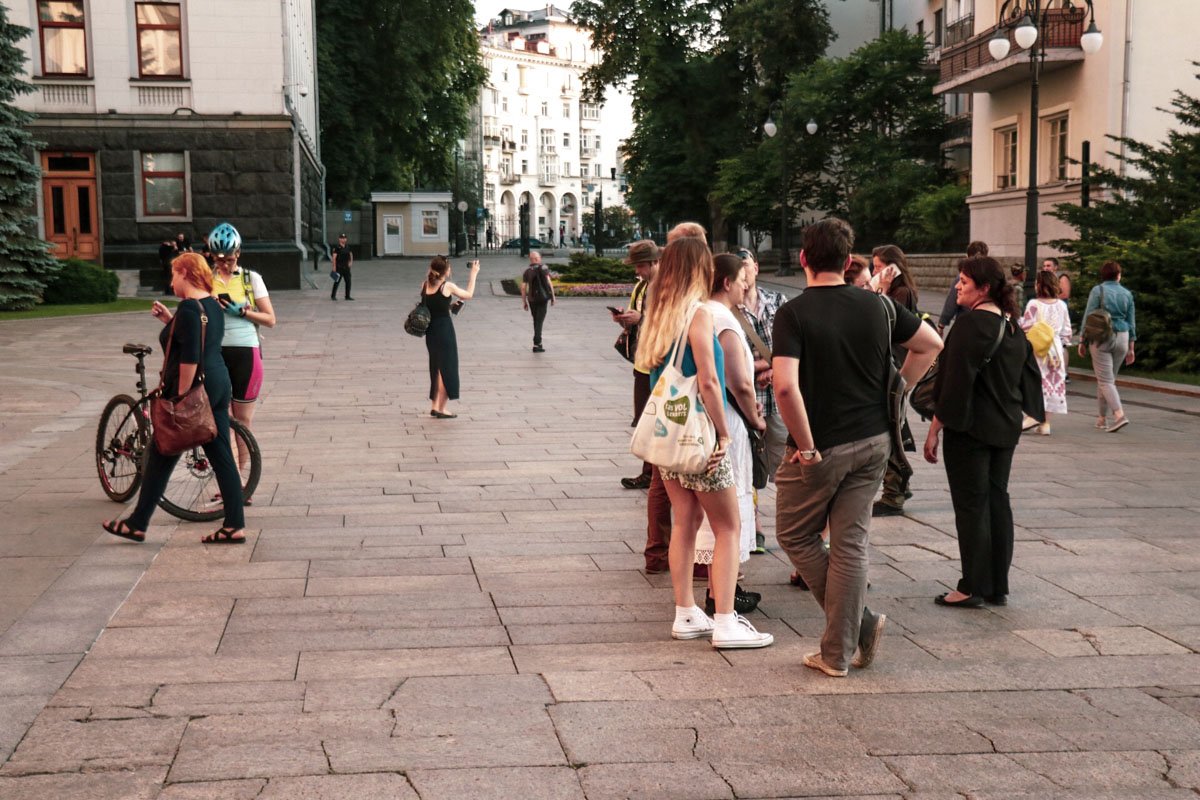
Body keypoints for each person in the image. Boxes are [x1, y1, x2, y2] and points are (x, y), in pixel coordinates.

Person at [773, 218, 941, 677]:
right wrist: (898, 391)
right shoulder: (877, 306)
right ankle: (839, 651)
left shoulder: (793, 313)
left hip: (820, 445)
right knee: (850, 544)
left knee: (794, 534)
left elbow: (786, 388)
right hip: (874, 442)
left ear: (804, 258)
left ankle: (857, 630)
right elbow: (931, 343)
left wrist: (806, 449)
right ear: (848, 262)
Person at [636, 236, 773, 649]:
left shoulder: (658, 314)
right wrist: (725, 433)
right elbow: (711, 382)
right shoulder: (697, 314)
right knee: (728, 526)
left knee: (685, 522)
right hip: (702, 439)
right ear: (698, 270)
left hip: (670, 438)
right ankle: (726, 620)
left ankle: (685, 613)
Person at [923, 256, 1043, 608]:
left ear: (984, 288)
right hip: (1004, 429)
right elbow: (1028, 377)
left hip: (970, 430)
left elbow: (953, 383)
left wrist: (934, 428)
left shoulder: (969, 325)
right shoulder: (1011, 326)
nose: (957, 286)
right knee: (997, 501)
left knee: (972, 506)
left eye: (963, 280)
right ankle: (996, 586)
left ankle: (971, 586)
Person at [103, 253, 246, 544]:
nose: (171, 281)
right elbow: (197, 339)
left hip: (194, 388)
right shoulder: (211, 304)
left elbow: (190, 357)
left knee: (162, 449)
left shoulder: (191, 308)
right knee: (218, 456)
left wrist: (180, 398)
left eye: (173, 275)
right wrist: (170, 321)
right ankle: (234, 525)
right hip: (217, 383)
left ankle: (138, 523)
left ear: (186, 273)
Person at [694, 253, 767, 614]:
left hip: (707, 417)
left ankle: (717, 588)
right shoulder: (724, 319)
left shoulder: (701, 310)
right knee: (730, 507)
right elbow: (739, 382)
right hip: (730, 420)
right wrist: (756, 418)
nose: (745, 285)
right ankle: (724, 592)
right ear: (725, 282)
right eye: (741, 279)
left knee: (713, 512)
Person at [208, 223, 276, 495]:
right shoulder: (205, 279)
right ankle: (232, 484)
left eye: (230, 257)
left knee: (243, 423)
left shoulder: (251, 279)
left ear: (239, 253)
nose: (225, 263)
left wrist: (244, 311)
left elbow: (271, 319)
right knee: (220, 422)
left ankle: (242, 483)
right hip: (215, 353)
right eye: (219, 259)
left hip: (246, 352)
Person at [736, 248, 789, 554]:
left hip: (779, 398)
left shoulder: (778, 302)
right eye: (738, 268)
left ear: (755, 267)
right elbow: (727, 358)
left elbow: (793, 345)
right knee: (749, 467)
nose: (744, 273)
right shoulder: (728, 310)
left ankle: (789, 526)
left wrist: (772, 367)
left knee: (784, 467)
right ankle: (753, 528)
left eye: (747, 265)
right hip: (747, 401)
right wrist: (756, 368)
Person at [870, 244, 920, 519]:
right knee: (895, 429)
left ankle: (894, 492)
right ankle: (899, 486)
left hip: (893, 367)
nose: (875, 271)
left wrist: (883, 290)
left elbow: (885, 324)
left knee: (892, 431)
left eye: (878, 266)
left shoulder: (900, 293)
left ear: (892, 267)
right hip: (890, 367)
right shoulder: (900, 291)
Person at [616, 240, 659, 491]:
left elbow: (668, 320)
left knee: (655, 420)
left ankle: (655, 474)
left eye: (641, 266)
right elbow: (639, 320)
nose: (638, 271)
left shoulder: (665, 286)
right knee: (644, 420)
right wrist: (625, 320)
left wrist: (640, 318)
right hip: (643, 361)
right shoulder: (641, 287)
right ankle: (649, 472)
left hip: (659, 363)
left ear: (654, 262)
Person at [1079, 260, 1136, 433]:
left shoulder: (1098, 290)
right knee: (1107, 380)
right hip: (1123, 337)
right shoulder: (1127, 293)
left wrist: (1082, 340)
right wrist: (1132, 347)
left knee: (1105, 380)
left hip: (1102, 336)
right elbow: (1131, 321)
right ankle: (1101, 418)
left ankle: (1119, 415)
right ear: (1119, 275)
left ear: (1103, 275)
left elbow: (1089, 315)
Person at [422, 256, 479, 418]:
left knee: (436, 367)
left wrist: (450, 305)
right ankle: (441, 408)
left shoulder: (425, 285)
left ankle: (434, 406)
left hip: (430, 331)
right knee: (447, 368)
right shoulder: (447, 286)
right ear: (446, 271)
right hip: (444, 330)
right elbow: (469, 294)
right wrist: (473, 274)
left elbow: (435, 305)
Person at [1020, 270, 1071, 435]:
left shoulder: (1034, 304)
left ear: (1039, 285)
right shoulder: (1062, 305)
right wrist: (1062, 343)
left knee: (1034, 381)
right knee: (1052, 384)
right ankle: (1046, 424)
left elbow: (1026, 325)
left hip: (1038, 348)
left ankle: (1031, 416)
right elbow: (1067, 331)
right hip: (1055, 348)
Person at [938, 240, 989, 334]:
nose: (958, 286)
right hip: (987, 326)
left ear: (967, 256)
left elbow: (951, 303)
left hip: (965, 324)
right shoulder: (991, 277)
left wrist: (941, 325)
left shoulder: (963, 277)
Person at [521, 251, 554, 353]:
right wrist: (553, 296)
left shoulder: (527, 271)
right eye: (539, 257)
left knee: (536, 320)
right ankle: (537, 343)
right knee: (539, 321)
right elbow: (549, 283)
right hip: (543, 299)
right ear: (537, 259)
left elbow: (523, 288)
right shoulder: (543, 268)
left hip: (532, 299)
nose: (540, 259)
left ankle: (537, 343)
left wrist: (524, 301)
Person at [331, 233, 354, 300]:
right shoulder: (337, 248)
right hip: (339, 267)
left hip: (346, 267)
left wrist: (351, 262)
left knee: (348, 282)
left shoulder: (347, 247)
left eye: (344, 238)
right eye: (342, 238)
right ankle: (333, 296)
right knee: (337, 282)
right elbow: (334, 258)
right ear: (339, 239)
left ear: (346, 239)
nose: (343, 239)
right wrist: (334, 266)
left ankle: (347, 296)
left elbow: (350, 254)